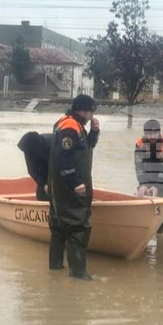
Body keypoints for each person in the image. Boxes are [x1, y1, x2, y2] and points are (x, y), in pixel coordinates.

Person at [48, 94, 100, 280]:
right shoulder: (70, 126)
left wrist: (94, 132)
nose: (91, 116)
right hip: (70, 189)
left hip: (58, 188)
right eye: (89, 112)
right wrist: (76, 182)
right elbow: (64, 158)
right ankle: (78, 275)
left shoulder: (66, 123)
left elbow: (85, 148)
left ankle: (55, 269)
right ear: (81, 111)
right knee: (77, 229)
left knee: (58, 228)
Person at [134, 119, 163, 197]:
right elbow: (139, 166)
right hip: (150, 173)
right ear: (145, 133)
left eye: (155, 133)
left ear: (159, 132)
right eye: (149, 133)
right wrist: (143, 184)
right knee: (143, 190)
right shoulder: (140, 143)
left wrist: (157, 186)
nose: (152, 136)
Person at [17, 131, 53, 201]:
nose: (27, 153)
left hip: (58, 165)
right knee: (41, 192)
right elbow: (32, 170)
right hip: (42, 168)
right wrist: (43, 184)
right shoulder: (28, 148)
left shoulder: (53, 144)